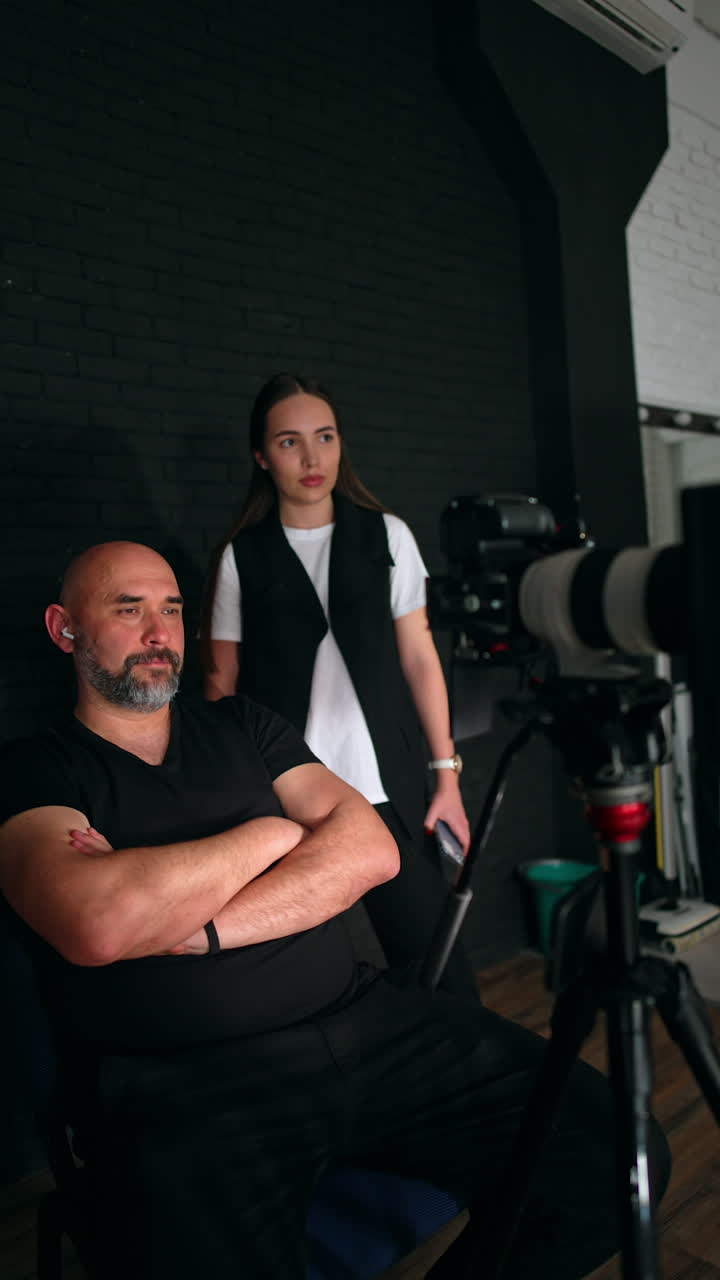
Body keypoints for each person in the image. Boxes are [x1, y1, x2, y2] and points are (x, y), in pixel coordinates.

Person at [0, 540, 670, 1280]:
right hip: (186, 1085)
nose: (161, 633)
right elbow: (98, 923)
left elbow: (372, 853)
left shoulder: (245, 727)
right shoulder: (32, 769)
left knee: (616, 1156)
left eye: (172, 610)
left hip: (367, 1026)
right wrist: (274, 833)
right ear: (65, 630)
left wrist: (195, 926)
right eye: (129, 611)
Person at [200, 372, 476, 997]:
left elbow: (420, 659)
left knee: (437, 968)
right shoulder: (241, 556)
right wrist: (220, 798)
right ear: (262, 456)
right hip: (287, 795)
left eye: (324, 437)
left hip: (392, 787)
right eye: (290, 441)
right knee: (288, 976)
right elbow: (220, 683)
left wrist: (447, 775)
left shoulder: (388, 536)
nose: (311, 456)